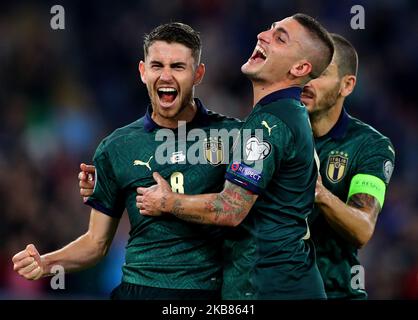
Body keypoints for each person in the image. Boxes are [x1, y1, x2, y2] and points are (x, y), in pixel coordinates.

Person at [11, 22, 242, 300]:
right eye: (157, 66)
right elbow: (96, 243)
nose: (166, 76)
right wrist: (46, 263)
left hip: (207, 294)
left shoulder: (233, 137)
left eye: (178, 67)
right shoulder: (116, 147)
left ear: (198, 74)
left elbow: (248, 211)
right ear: (143, 72)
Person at [137, 14, 334, 299]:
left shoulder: (270, 123)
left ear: (300, 67)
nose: (262, 36)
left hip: (270, 288)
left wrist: (167, 202)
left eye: (280, 38)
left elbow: (229, 209)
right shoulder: (286, 116)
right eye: (269, 28)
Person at [301, 33, 395, 299]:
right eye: (305, 70)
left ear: (347, 85)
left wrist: (319, 192)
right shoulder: (275, 134)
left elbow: (363, 228)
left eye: (319, 73)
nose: (307, 82)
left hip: (335, 291)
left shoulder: (369, 145)